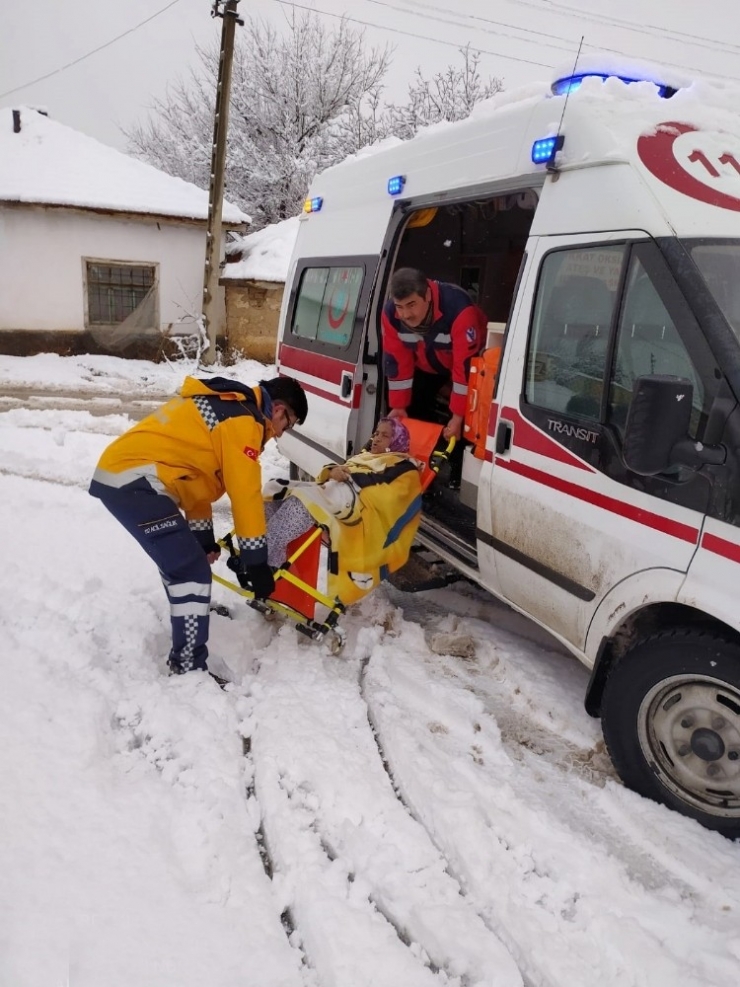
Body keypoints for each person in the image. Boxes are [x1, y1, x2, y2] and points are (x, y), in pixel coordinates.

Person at [89, 374, 308, 677]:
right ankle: (188, 666)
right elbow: (245, 494)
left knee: (183, 562)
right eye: (289, 425)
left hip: (127, 477)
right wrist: (257, 562)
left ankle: (191, 618)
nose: (282, 433)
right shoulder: (242, 420)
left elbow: (196, 479)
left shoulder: (228, 407)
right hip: (135, 482)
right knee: (189, 570)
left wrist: (203, 539)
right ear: (280, 411)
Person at [264, 418, 422, 605]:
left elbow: (387, 498)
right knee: (273, 491)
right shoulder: (366, 456)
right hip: (333, 496)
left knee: (300, 501)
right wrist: (332, 471)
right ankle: (272, 558)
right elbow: (340, 472)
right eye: (376, 433)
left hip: (357, 515)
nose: (377, 439)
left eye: (385, 435)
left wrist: (347, 477)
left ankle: (263, 561)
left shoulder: (405, 469)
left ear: (397, 442)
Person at [381, 267, 488, 442]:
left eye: (411, 305)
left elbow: (465, 369)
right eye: (400, 307)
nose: (405, 315)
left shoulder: (458, 309)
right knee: (414, 409)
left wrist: (458, 416)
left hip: (466, 370)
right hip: (428, 366)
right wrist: (399, 405)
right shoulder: (391, 314)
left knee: (461, 427)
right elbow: (398, 362)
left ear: (428, 295)